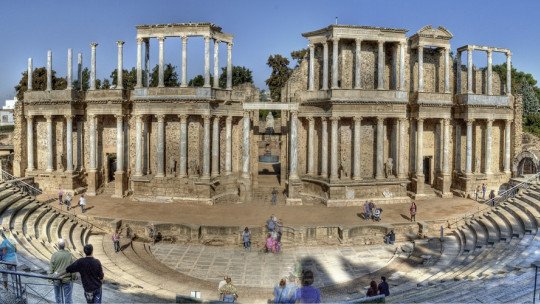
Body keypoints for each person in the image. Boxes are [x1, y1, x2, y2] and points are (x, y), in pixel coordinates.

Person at [50, 239, 76, 304]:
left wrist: (51, 279)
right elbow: (72, 268)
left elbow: (51, 268)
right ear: (64, 246)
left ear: (58, 246)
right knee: (68, 298)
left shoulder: (54, 255)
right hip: (67, 280)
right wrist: (73, 278)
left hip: (56, 279)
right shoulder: (69, 255)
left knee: (58, 297)